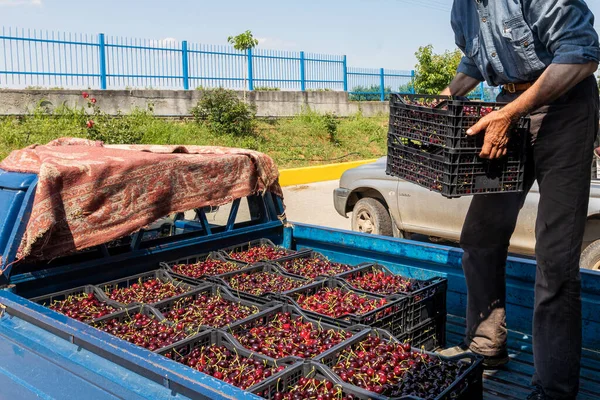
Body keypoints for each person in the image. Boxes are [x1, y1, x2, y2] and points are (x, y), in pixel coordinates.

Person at [438, 1, 600, 399]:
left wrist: (508, 114)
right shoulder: (463, 9)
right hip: (507, 109)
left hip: (566, 109)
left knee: (555, 258)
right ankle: (486, 344)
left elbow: (582, 56)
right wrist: (446, 96)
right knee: (479, 236)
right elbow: (475, 63)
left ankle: (553, 388)